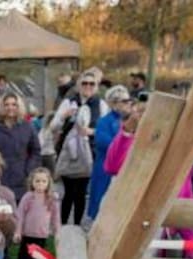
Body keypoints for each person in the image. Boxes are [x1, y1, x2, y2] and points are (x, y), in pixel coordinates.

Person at [51, 70, 109, 226]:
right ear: (78, 85)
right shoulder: (68, 101)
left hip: (90, 153)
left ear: (97, 86)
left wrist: (92, 132)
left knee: (81, 193)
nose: (88, 86)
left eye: (92, 83)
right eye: (84, 83)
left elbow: (107, 131)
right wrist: (64, 116)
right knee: (68, 192)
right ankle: (62, 227)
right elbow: (53, 126)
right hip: (68, 152)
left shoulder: (101, 104)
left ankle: (77, 226)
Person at [0, 92, 41, 200]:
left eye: (14, 104)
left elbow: (36, 150)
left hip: (21, 178)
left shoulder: (27, 127)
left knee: (19, 213)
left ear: (19, 106)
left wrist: (29, 169)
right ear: (1, 107)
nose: (10, 107)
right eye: (6, 104)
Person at [86, 85, 133, 223]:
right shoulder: (105, 121)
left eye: (129, 100)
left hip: (126, 168)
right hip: (106, 168)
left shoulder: (132, 119)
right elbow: (104, 142)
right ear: (113, 103)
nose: (128, 104)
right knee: (102, 202)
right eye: (124, 101)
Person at [14, 168, 60, 259]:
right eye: (37, 181)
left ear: (48, 183)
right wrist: (18, 231)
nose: (40, 184)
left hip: (41, 235)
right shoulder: (28, 197)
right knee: (22, 258)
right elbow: (20, 215)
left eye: (43, 181)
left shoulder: (51, 199)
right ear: (32, 182)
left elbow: (56, 217)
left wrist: (57, 232)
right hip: (27, 234)